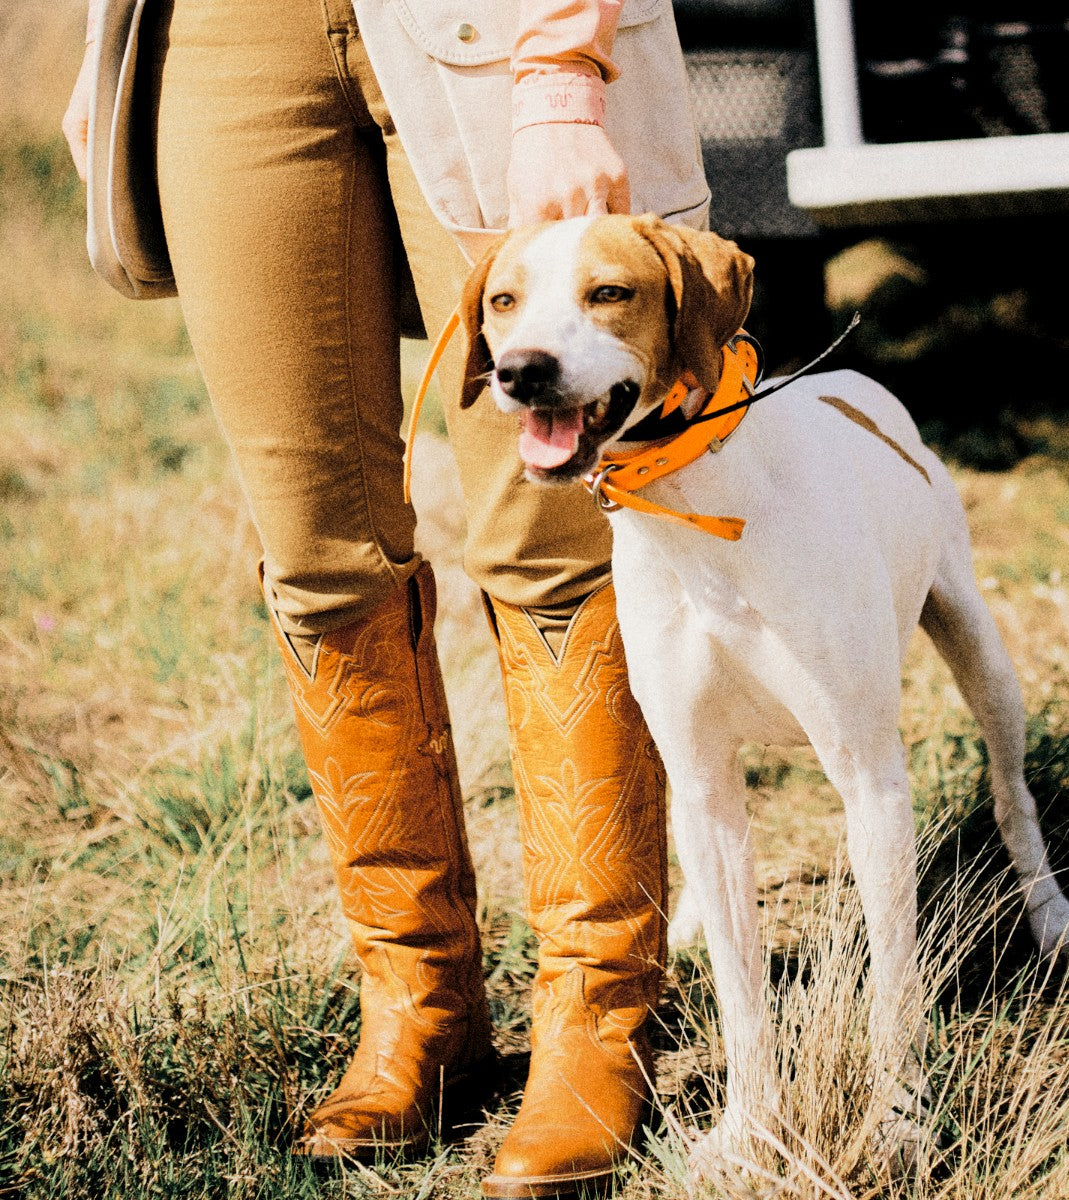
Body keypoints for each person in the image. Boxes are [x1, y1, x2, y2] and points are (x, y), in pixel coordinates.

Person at [63, 0, 708, 1195]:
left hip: (495, 24)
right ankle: (420, 1005)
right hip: (217, 39)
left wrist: (562, 73)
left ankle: (598, 1011)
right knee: (316, 556)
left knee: (556, 542)